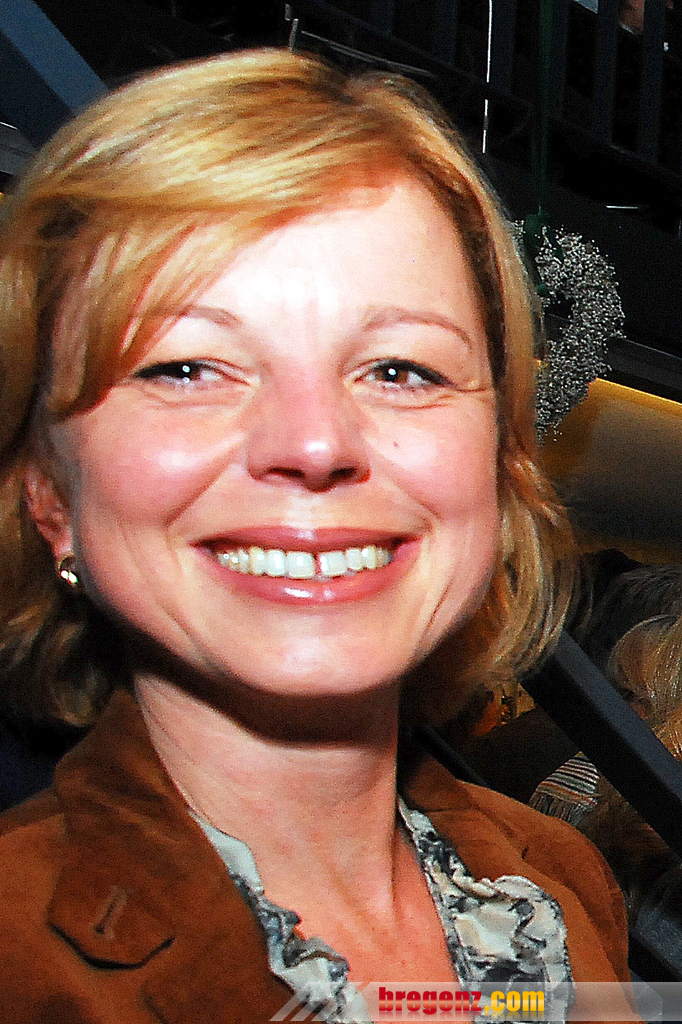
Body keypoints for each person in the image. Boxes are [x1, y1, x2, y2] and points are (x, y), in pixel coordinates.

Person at [0, 49, 631, 1022]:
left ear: (499, 470)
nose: (314, 443)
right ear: (49, 496)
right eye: (186, 367)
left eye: (401, 369)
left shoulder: (558, 878)